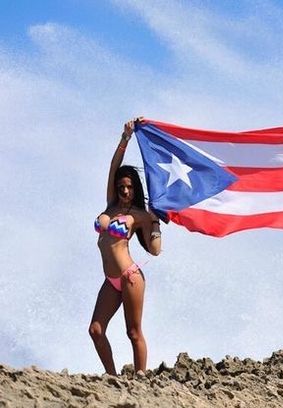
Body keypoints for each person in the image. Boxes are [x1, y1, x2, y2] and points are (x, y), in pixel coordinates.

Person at [89, 118, 162, 375]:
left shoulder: (139, 214)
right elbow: (113, 167)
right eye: (122, 187)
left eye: (130, 187)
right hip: (111, 280)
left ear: (135, 189)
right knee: (96, 330)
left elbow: (155, 250)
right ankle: (112, 377)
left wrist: (155, 224)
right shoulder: (111, 204)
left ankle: (141, 380)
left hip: (130, 277)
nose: (125, 191)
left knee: (133, 332)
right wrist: (125, 137)